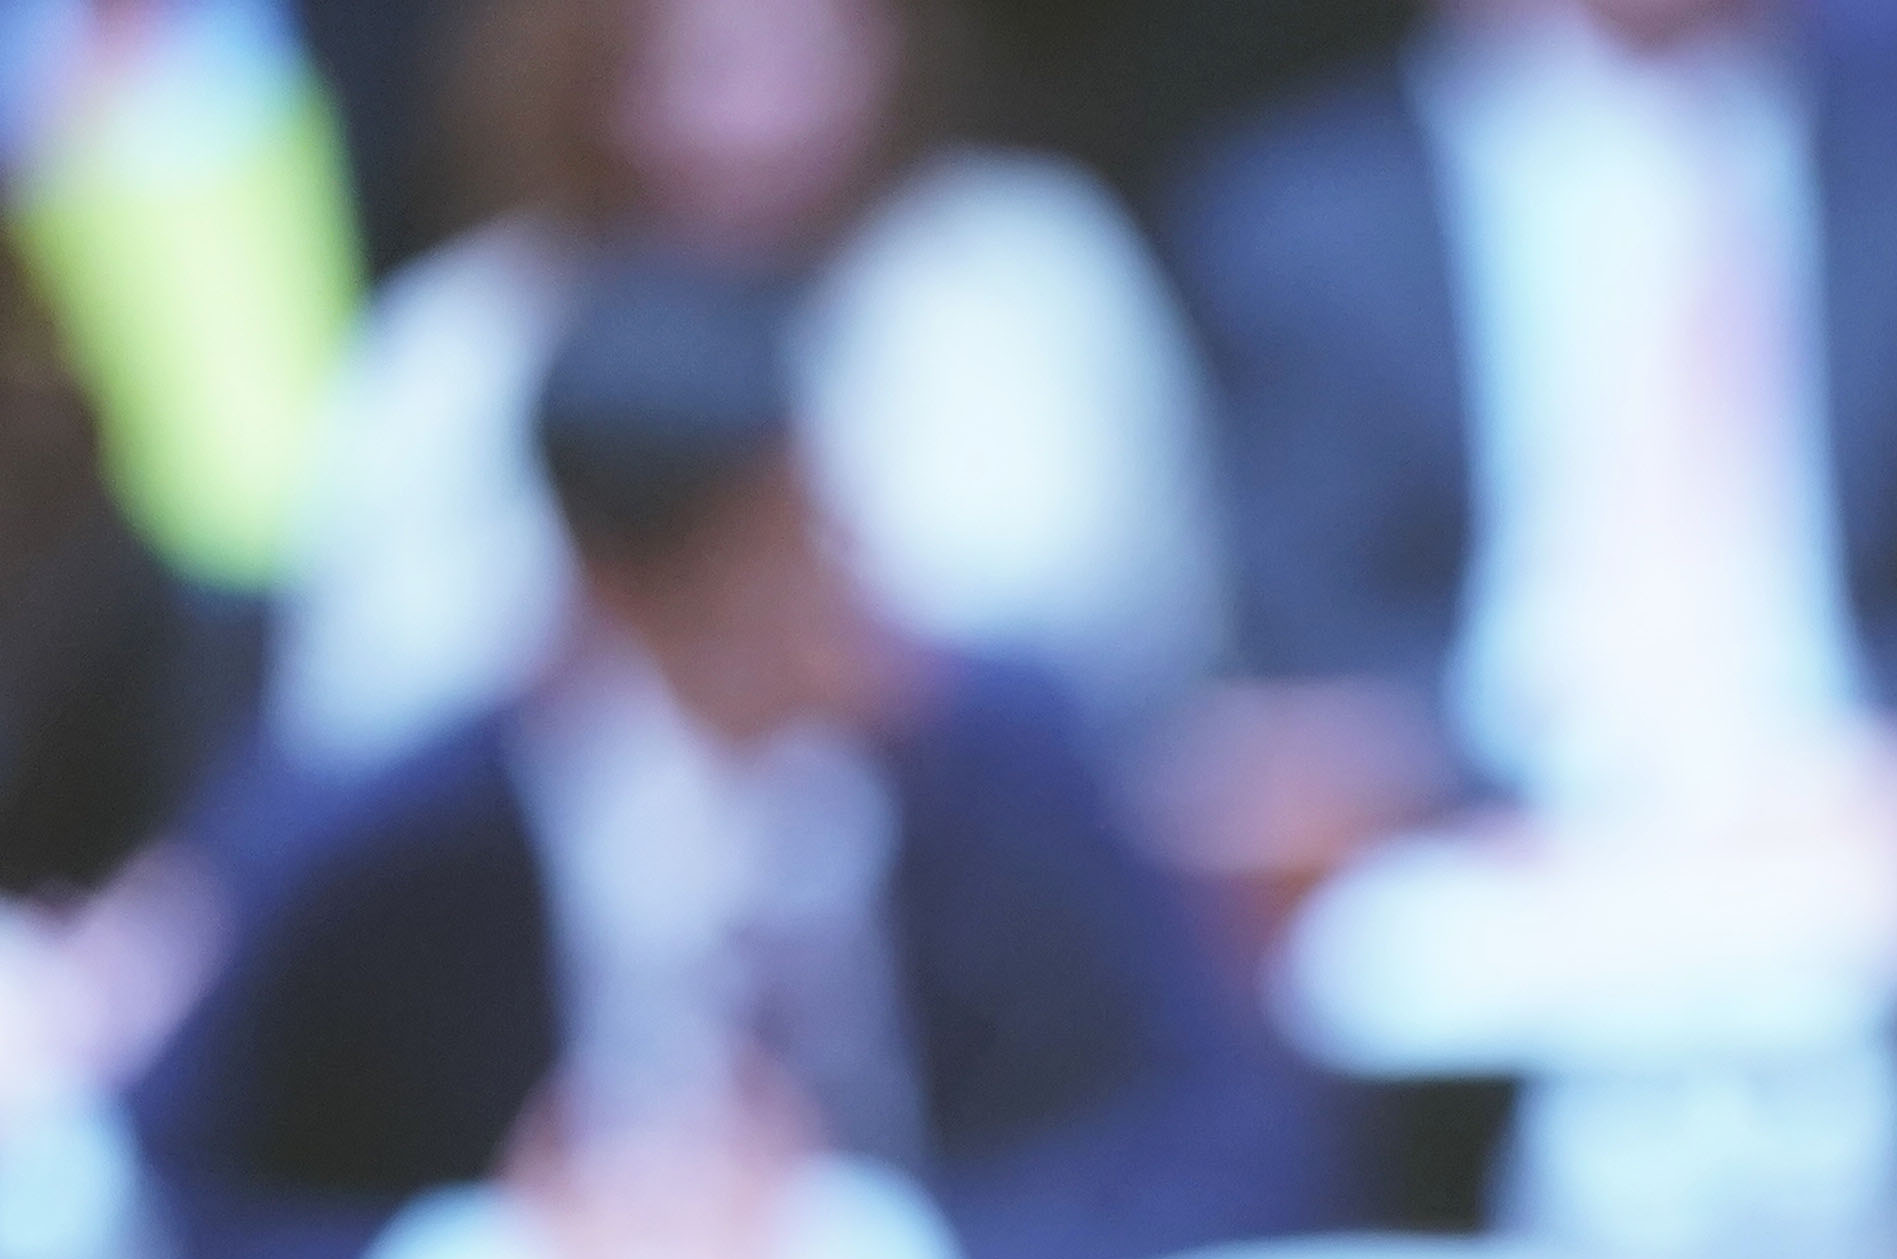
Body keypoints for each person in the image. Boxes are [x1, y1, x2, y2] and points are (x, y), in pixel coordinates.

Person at [133, 245, 1318, 1259]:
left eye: (832, 523)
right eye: (774, 554)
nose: (841, 595)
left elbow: (1241, 1136)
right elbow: (156, 1217)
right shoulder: (393, 833)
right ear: (614, 586)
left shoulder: (1000, 750)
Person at [1162, 0, 1897, 1198]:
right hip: (1486, 877)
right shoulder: (1301, 221)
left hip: (1873, 880)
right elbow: (1303, 632)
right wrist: (1542, 797)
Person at [265, 0, 1214, 774]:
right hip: (541, 906)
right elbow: (355, 706)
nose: (755, 108)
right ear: (589, 58)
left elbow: (1130, 637)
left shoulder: (1024, 274)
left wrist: (840, 660)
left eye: (798, 41)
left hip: (975, 875)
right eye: (699, 53)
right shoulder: (458, 343)